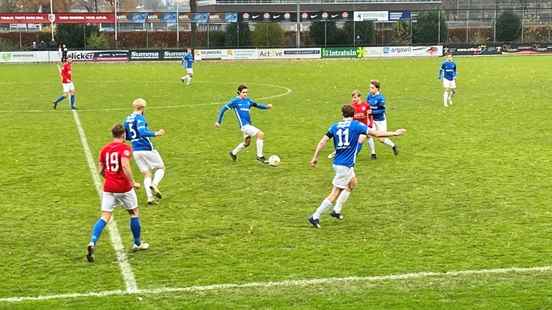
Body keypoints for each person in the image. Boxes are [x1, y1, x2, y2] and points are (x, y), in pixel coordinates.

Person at [308, 105, 406, 228]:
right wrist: (395, 133)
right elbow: (376, 133)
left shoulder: (334, 126)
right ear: (353, 115)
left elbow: (322, 141)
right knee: (335, 192)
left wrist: (315, 157)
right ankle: (315, 216)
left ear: (342, 114)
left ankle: (336, 210)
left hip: (338, 163)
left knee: (353, 183)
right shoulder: (356, 125)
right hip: (345, 165)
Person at [86, 124, 149, 263]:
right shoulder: (125, 148)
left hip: (108, 187)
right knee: (134, 213)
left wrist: (108, 177)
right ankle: (137, 243)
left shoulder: (104, 149)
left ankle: (92, 242)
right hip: (123, 187)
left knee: (105, 216)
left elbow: (101, 169)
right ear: (123, 135)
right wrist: (133, 182)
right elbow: (125, 165)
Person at [215, 84, 272, 164]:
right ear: (239, 92)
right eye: (243, 92)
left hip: (249, 125)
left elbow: (257, 105)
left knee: (247, 143)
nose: (245, 94)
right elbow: (222, 110)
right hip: (244, 126)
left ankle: (233, 153)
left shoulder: (248, 100)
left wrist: (266, 107)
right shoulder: (235, 101)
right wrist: (218, 121)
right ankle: (260, 156)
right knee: (260, 134)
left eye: (246, 92)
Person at [124, 98, 166, 206]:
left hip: (136, 150)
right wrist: (157, 133)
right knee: (161, 168)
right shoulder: (140, 118)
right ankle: (154, 185)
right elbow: (142, 132)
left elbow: (127, 136)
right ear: (142, 108)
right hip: (146, 147)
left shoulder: (127, 119)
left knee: (147, 174)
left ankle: (150, 198)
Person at [329, 90, 376, 160]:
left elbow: (370, 115)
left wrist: (370, 124)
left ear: (359, 97)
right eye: (353, 97)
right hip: (354, 127)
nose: (353, 99)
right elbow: (348, 117)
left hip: (364, 126)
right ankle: (343, 153)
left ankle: (373, 153)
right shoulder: (351, 107)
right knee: (354, 141)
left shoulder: (366, 105)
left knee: (368, 137)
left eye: (355, 97)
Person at [366, 80, 398, 157]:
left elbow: (382, 110)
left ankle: (393, 146)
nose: (370, 89)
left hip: (380, 120)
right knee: (369, 134)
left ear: (377, 89)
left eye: (372, 88)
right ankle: (373, 153)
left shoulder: (380, 98)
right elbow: (367, 106)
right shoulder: (369, 96)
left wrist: (372, 112)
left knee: (381, 139)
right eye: (370, 88)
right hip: (372, 119)